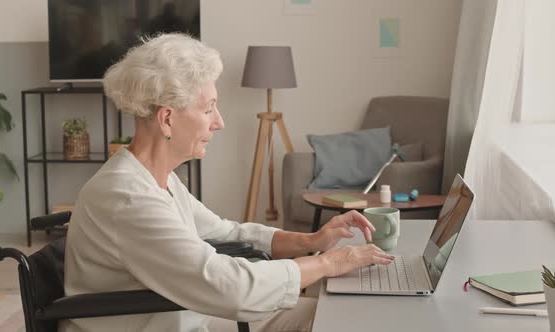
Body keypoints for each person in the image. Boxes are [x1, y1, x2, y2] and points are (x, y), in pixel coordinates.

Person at [60, 33, 394, 332]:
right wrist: (327, 262)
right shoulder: (127, 198)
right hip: (162, 322)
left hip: (180, 316)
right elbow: (229, 287)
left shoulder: (157, 179)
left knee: (326, 314)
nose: (219, 122)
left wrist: (311, 240)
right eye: (209, 109)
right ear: (167, 119)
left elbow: (228, 233)